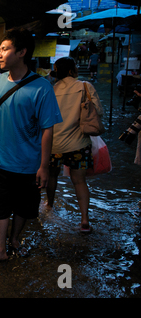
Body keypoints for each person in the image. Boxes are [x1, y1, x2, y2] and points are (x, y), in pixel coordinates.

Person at [0, 28, 62, 265]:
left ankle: (14, 239)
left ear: (22, 52)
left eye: (5, 49)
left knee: (24, 208)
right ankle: (0, 249)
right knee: (0, 204)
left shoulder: (42, 87)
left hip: (28, 164)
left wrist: (44, 166)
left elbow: (47, 129)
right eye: (0, 49)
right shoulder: (1, 80)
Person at [46, 57, 103, 234]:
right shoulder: (84, 87)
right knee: (79, 181)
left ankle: (49, 206)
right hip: (78, 144)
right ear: (72, 70)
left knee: (52, 177)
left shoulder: (50, 90)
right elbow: (98, 112)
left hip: (53, 145)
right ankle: (85, 220)